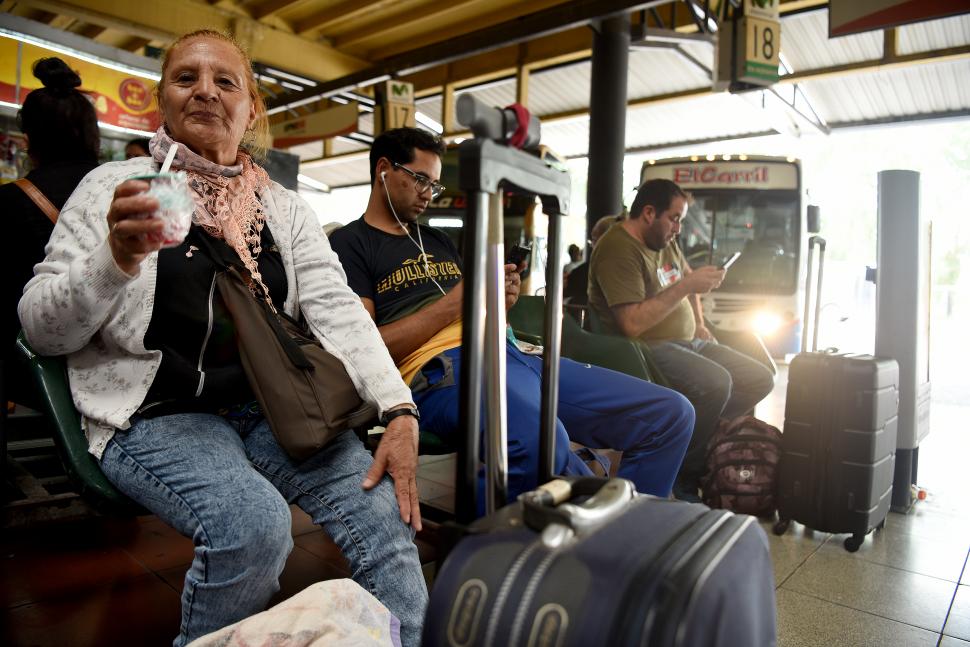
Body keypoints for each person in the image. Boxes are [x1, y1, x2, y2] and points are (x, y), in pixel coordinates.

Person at [18, 31, 426, 647]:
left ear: (252, 108)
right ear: (165, 101)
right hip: (155, 413)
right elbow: (39, 329)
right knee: (256, 526)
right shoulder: (114, 188)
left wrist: (399, 409)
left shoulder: (283, 207)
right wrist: (117, 257)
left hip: (273, 408)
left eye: (225, 81)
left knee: (387, 518)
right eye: (186, 78)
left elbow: (339, 312)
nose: (205, 90)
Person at [329, 127, 694, 508]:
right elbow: (366, 348)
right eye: (420, 179)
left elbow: (472, 311)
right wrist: (459, 303)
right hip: (440, 373)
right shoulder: (350, 243)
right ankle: (487, 547)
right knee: (541, 442)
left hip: (509, 354)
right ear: (384, 169)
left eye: (434, 186)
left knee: (671, 415)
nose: (427, 193)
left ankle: (622, 538)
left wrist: (498, 302)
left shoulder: (436, 240)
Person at [588, 178, 774, 501]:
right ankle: (686, 472)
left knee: (760, 378)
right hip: (643, 349)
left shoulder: (664, 241)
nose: (678, 229)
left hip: (689, 340)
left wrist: (700, 323)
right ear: (648, 213)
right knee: (717, 384)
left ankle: (693, 441)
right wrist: (688, 287)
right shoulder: (618, 248)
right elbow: (631, 324)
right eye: (674, 219)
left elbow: (687, 280)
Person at [2, 57, 100, 405]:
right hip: (115, 369)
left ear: (27, 140)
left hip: (36, 374)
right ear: (93, 136)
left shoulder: (10, 202)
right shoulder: (124, 192)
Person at [562, 211, 625, 305]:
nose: (592, 246)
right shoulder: (632, 267)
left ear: (604, 240)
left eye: (594, 240)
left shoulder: (583, 273)